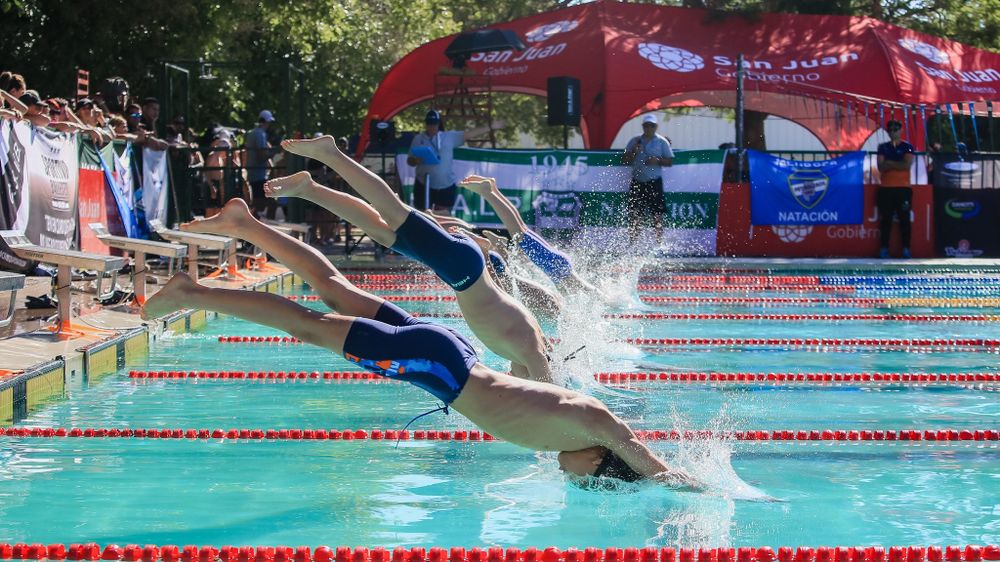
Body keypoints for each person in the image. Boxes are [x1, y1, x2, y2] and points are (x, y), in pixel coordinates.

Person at [140, 270, 699, 490]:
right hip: (442, 368)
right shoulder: (594, 424)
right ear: (600, 460)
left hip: (452, 358)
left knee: (337, 300)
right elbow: (651, 459)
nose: (572, 476)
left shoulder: (579, 429)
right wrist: (681, 484)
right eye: (589, 479)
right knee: (311, 326)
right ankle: (192, 293)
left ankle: (240, 240)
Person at [269, 135, 552, 384]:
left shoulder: (525, 349)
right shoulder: (533, 353)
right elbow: (551, 397)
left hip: (462, 269)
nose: (519, 381)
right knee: (392, 211)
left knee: (382, 231)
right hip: (462, 269)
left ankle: (309, 189)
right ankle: (331, 153)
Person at [458, 175, 599, 295]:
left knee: (521, 229)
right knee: (519, 233)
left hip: (560, 266)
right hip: (557, 269)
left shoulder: (593, 292)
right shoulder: (597, 297)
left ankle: (492, 190)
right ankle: (488, 192)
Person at [406, 109, 502, 212]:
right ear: (425, 124)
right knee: (422, 214)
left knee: (443, 216)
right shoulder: (418, 139)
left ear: (439, 124)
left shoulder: (449, 136)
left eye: (434, 124)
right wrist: (415, 161)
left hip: (445, 184)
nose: (432, 127)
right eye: (429, 124)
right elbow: (409, 161)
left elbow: (469, 134)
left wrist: (491, 127)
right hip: (423, 183)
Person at [621, 114, 674, 246]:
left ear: (656, 127)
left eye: (651, 125)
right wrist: (634, 152)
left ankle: (659, 244)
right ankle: (632, 244)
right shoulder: (634, 141)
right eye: (646, 125)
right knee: (635, 214)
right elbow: (624, 160)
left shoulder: (662, 142)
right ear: (643, 126)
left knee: (657, 215)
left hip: (654, 182)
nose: (648, 128)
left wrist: (658, 161)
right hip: (637, 182)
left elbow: (669, 161)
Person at [876, 120, 915, 259]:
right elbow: (880, 167)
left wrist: (889, 163)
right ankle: (884, 249)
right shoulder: (882, 147)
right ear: (888, 132)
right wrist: (897, 163)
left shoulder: (908, 147)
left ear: (901, 130)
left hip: (903, 189)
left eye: (896, 129)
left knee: (904, 220)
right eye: (890, 129)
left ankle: (906, 249)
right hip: (886, 188)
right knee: (885, 220)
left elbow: (906, 166)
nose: (893, 132)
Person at [245, 110, 276, 219]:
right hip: (258, 175)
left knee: (259, 203)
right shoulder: (260, 134)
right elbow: (261, 156)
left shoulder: (253, 133)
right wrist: (274, 152)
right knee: (265, 203)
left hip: (254, 174)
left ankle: (256, 223)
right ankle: (257, 225)